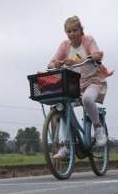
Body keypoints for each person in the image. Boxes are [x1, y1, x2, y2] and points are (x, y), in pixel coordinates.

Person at [47, 15, 113, 153]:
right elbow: (51, 63)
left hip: (93, 81)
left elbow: (97, 55)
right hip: (74, 86)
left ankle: (98, 129)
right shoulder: (64, 46)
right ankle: (67, 143)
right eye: (69, 31)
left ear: (80, 30)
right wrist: (56, 63)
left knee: (87, 99)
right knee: (62, 108)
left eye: (75, 30)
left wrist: (76, 61)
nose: (72, 34)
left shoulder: (88, 40)